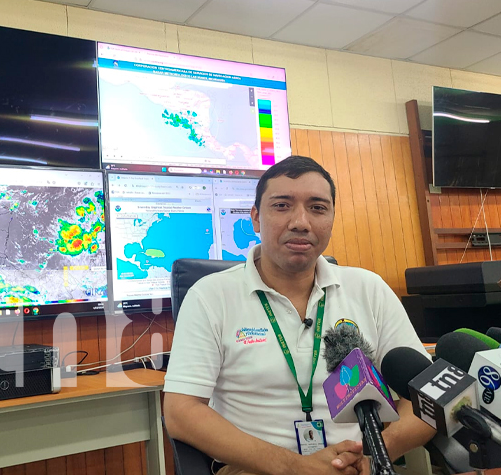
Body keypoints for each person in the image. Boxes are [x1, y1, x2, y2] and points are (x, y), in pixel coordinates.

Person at [163, 156, 436, 475]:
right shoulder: (210, 296)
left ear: (332, 217)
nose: (301, 222)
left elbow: (426, 398)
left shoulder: (367, 288)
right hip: (257, 468)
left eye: (318, 208)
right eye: (282, 206)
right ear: (255, 218)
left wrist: (370, 453)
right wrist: (295, 467)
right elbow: (180, 412)